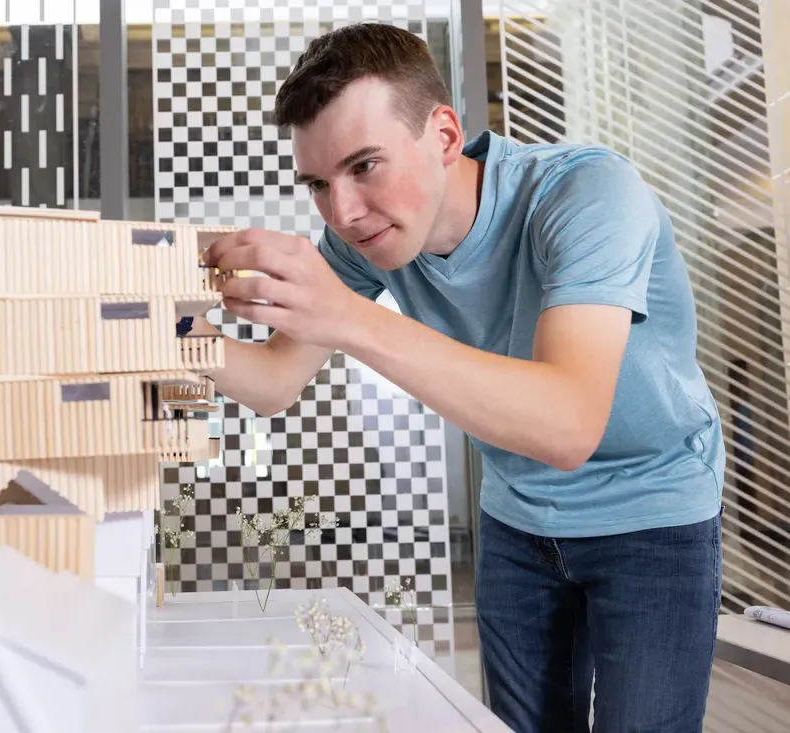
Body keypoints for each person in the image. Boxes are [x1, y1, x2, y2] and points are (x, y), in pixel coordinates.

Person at [187, 21, 725, 733]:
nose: (342, 212)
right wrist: (158, 325)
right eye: (318, 183)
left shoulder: (588, 196)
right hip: (519, 518)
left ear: (443, 135)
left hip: (652, 512)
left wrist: (346, 317)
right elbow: (275, 381)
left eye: (365, 166)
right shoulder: (372, 239)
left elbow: (567, 426)